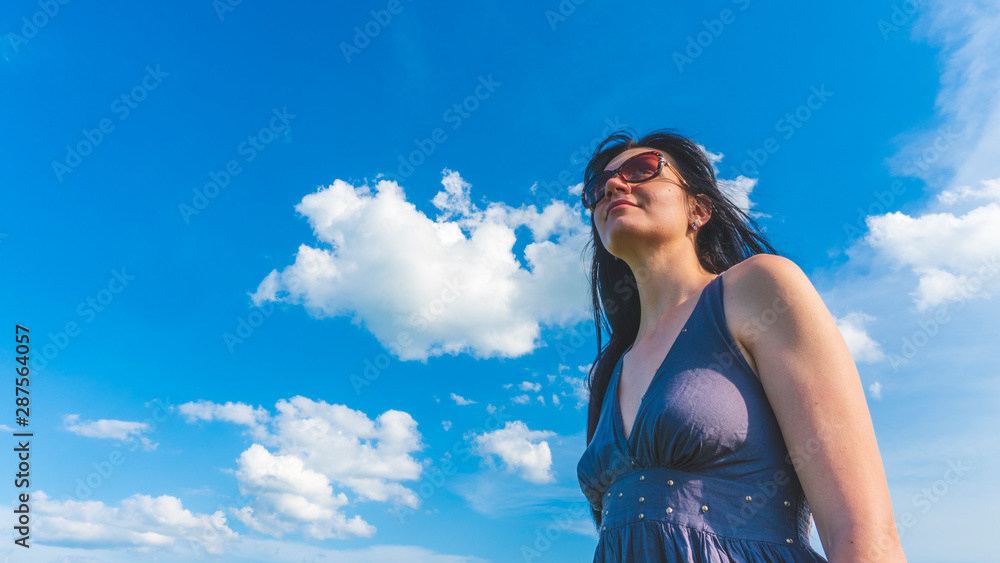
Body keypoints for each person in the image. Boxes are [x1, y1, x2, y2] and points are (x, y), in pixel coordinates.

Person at [575, 129, 906, 562]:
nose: (615, 185)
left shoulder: (760, 288)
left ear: (698, 208)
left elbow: (862, 533)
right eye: (599, 186)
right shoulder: (612, 367)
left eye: (643, 170)